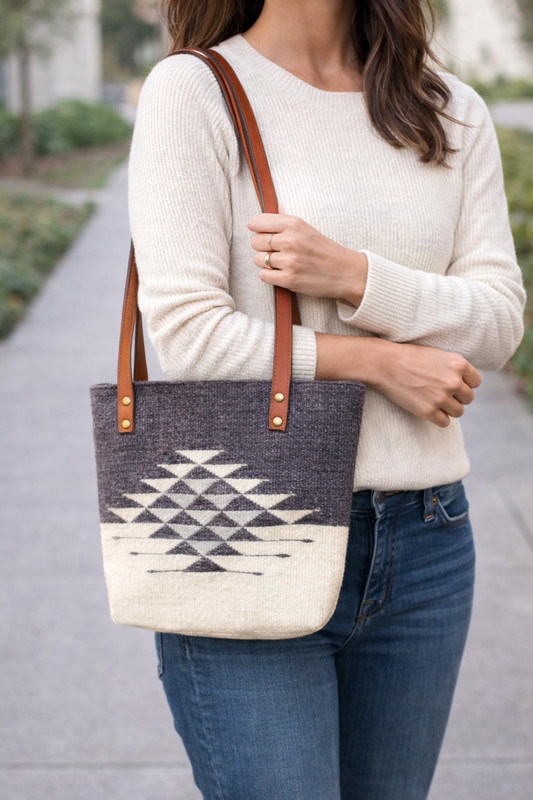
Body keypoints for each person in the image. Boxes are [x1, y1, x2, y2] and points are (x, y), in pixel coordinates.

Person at [127, 1, 526, 798]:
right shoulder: (196, 91)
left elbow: (497, 320)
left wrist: (355, 276)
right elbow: (190, 340)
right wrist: (376, 360)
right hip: (241, 522)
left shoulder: (448, 110)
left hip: (424, 542)